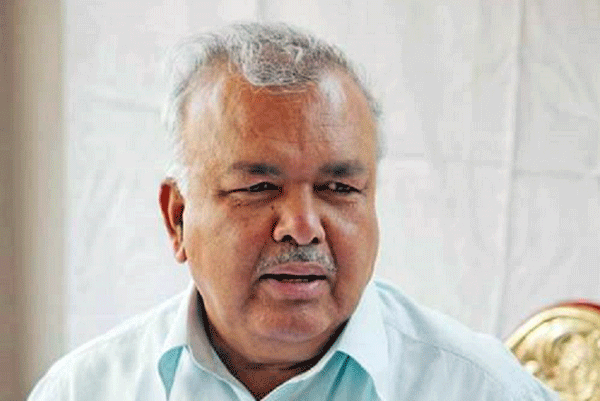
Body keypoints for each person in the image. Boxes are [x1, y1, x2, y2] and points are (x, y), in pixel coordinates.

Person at [29, 23, 559, 400]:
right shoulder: (83, 390)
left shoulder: (481, 388)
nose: (302, 226)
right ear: (178, 218)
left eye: (339, 188)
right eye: (259, 187)